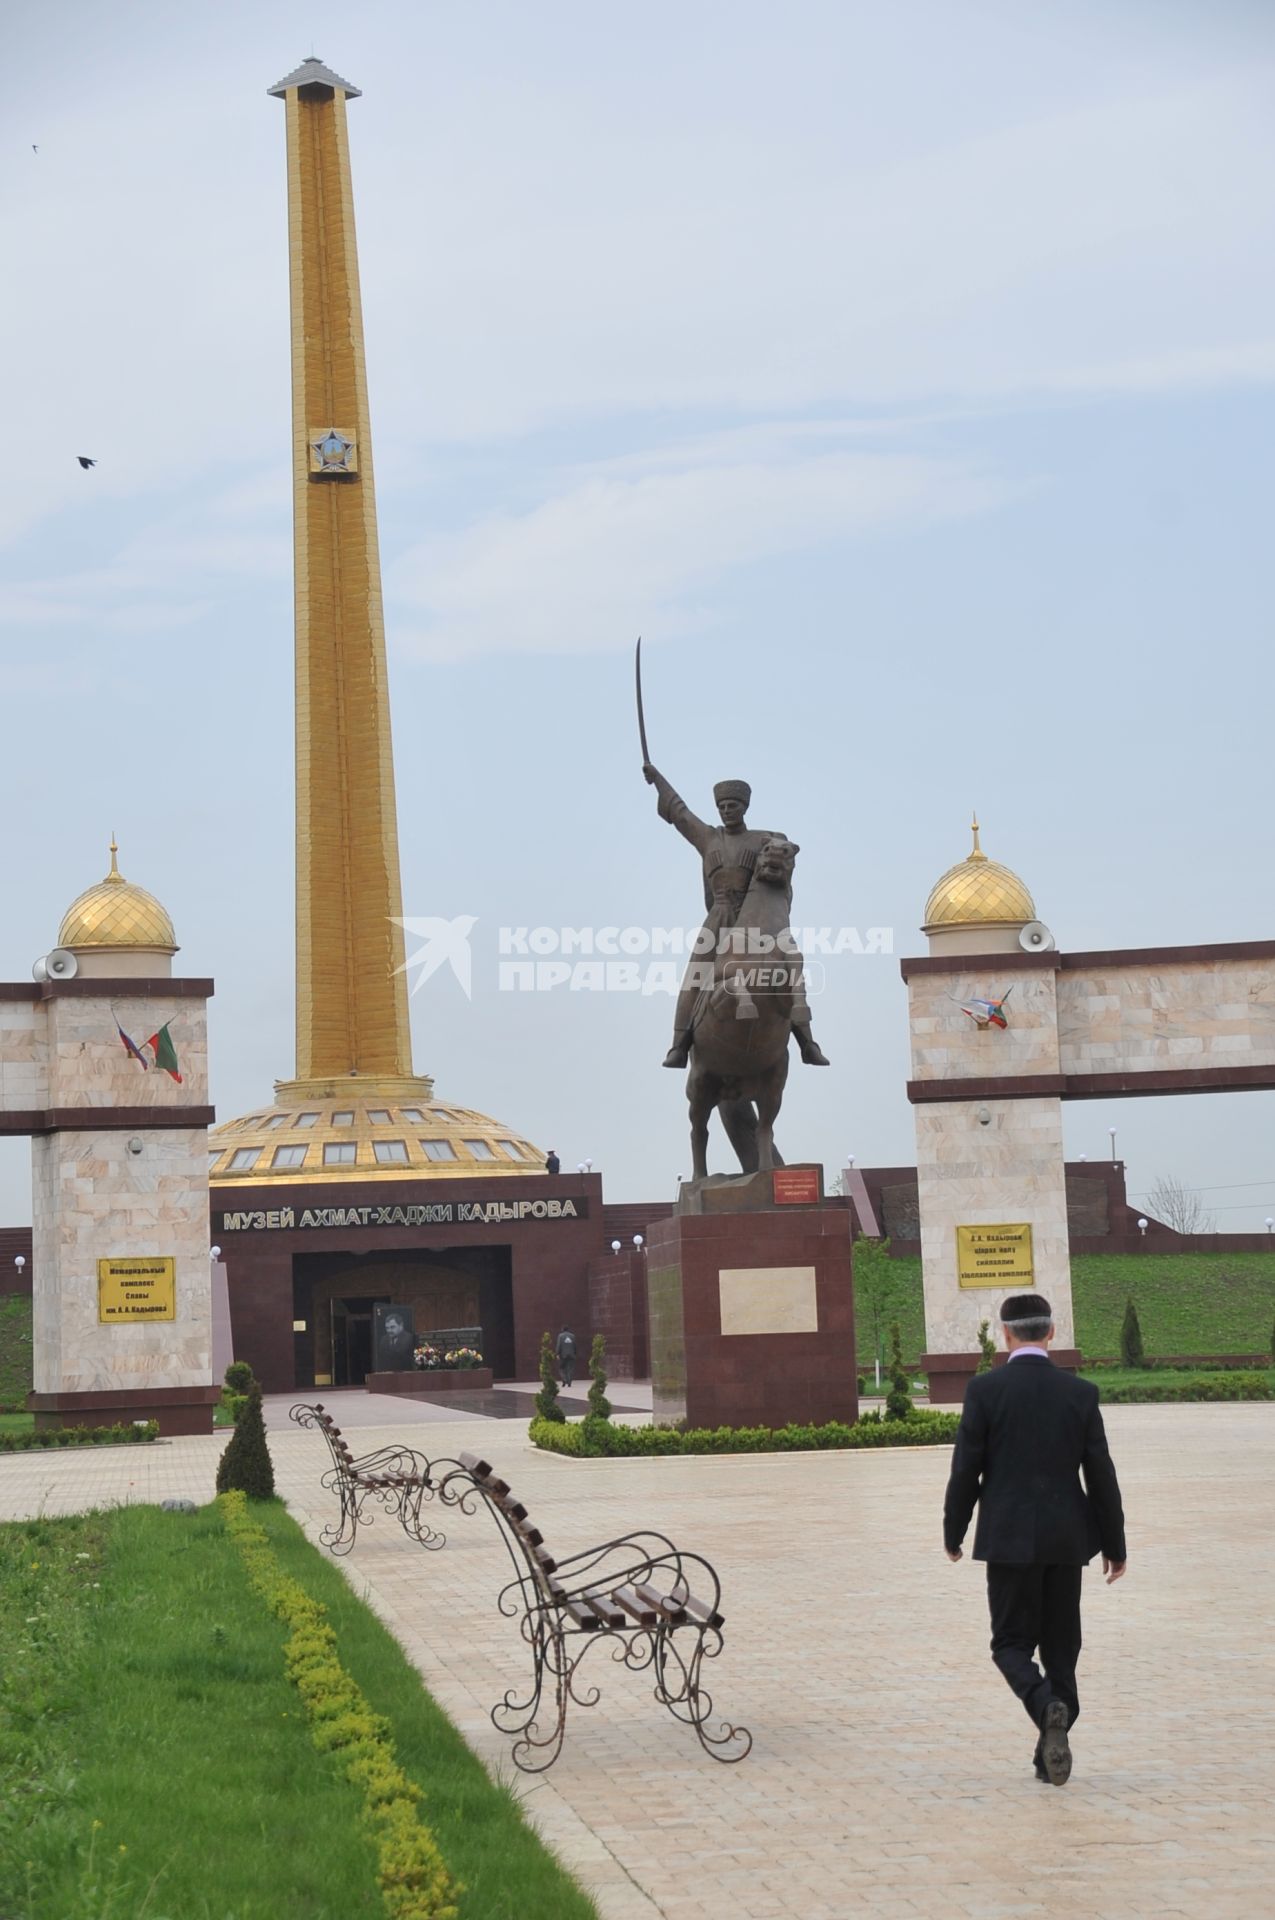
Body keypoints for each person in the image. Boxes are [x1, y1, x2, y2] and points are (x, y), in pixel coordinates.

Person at [942, 1292, 1126, 1786]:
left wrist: (953, 1530)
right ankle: (1050, 1743)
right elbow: (1101, 1476)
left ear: (1005, 1335)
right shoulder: (1080, 1393)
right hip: (1068, 1541)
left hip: (1007, 1540)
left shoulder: (985, 1391)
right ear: (1051, 1333)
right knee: (1062, 1648)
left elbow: (966, 1470)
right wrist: (1115, 1544)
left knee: (1010, 1644)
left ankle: (1047, 1706)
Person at [643, 763, 828, 1068]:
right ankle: (679, 1045)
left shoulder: (760, 839)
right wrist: (658, 780)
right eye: (722, 806)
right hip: (717, 921)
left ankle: (807, 1042)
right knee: (695, 976)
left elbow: (781, 850)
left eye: (733, 806)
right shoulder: (709, 838)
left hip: (754, 917)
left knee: (787, 964)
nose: (727, 811)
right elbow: (680, 813)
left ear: (744, 808)